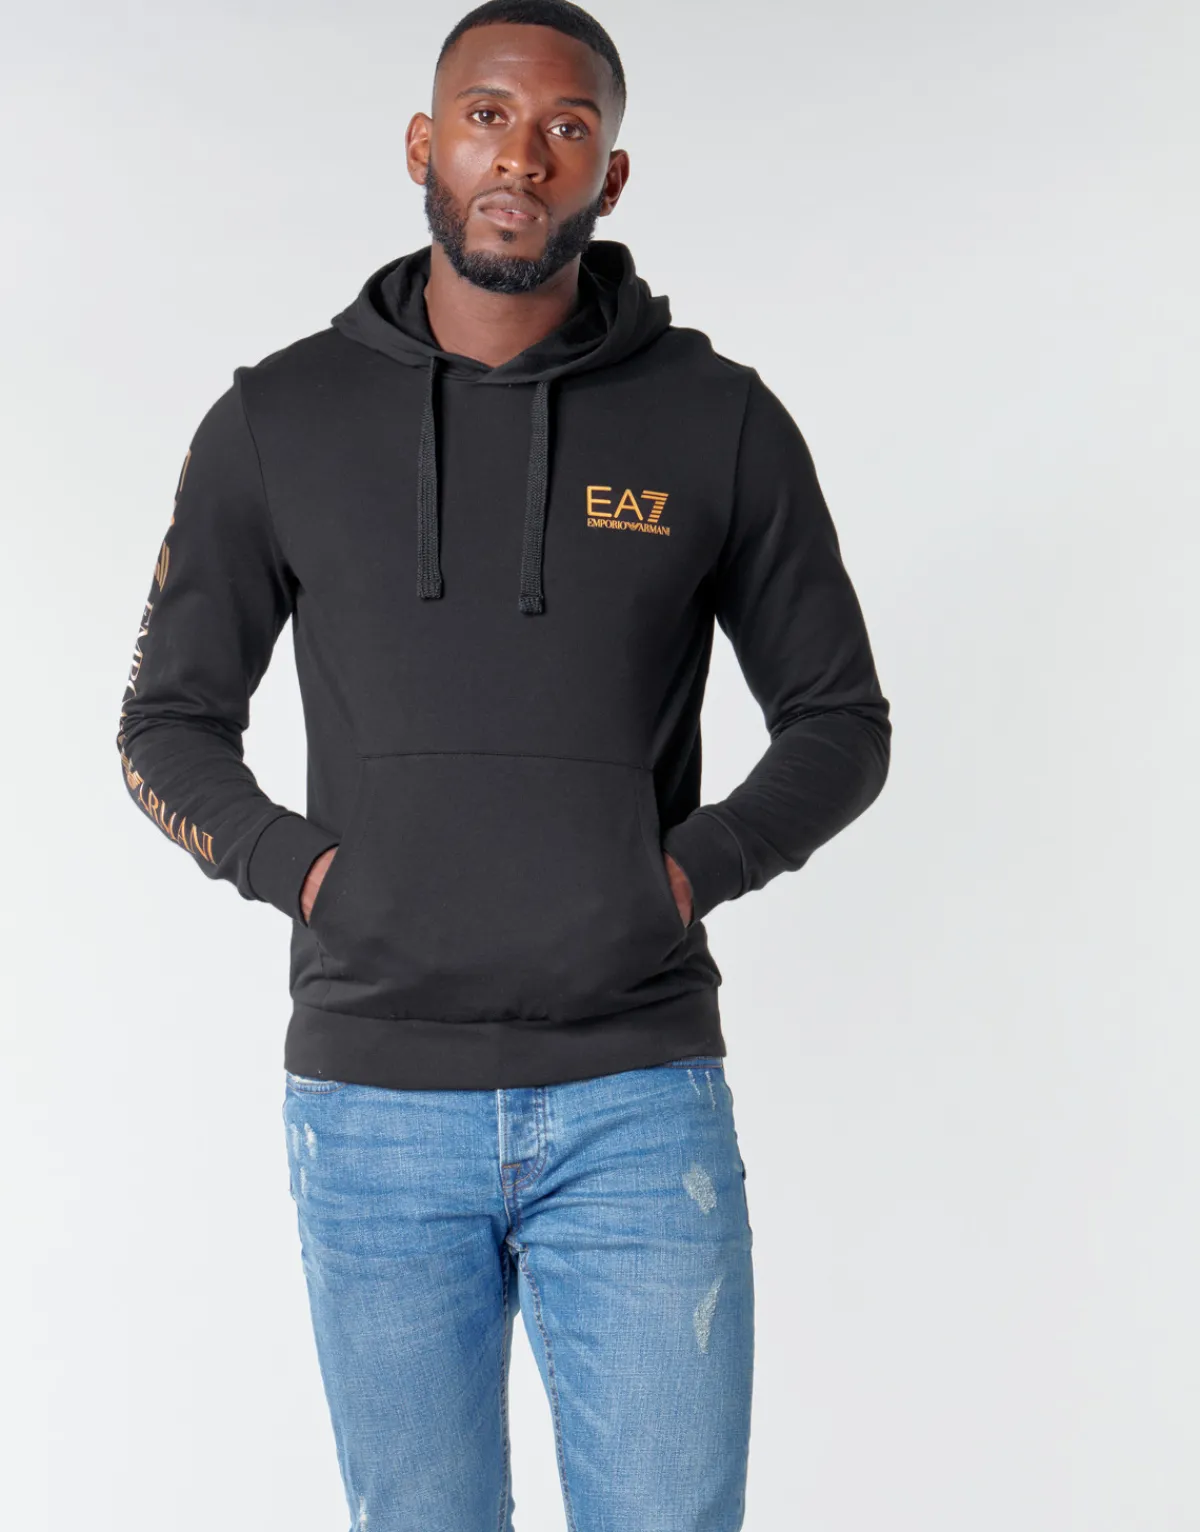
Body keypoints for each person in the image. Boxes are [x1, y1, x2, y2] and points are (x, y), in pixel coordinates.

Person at [115, 1, 891, 1526]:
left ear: (611, 174)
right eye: (487, 117)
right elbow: (164, 725)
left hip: (636, 1094)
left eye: (565, 128)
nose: (521, 156)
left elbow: (841, 722)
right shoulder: (278, 419)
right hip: (372, 1103)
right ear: (424, 142)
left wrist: (677, 878)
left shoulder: (718, 422)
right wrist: (309, 875)